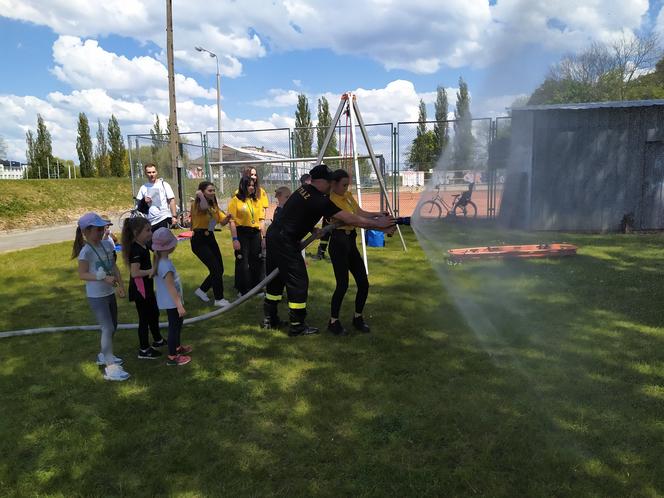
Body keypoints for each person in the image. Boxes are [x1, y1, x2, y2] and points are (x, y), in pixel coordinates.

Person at [263, 164, 395, 336]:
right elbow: (349, 218)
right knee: (298, 282)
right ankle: (297, 325)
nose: (332, 185)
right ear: (320, 181)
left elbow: (297, 214)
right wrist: (379, 225)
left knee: (277, 278)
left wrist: (312, 230)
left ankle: (270, 320)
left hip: (274, 235)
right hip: (285, 241)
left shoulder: (303, 190)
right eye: (329, 181)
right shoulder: (319, 199)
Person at [326, 169, 387, 335]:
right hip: (338, 243)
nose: (346, 188)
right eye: (343, 185)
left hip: (350, 241)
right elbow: (351, 219)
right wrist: (376, 224)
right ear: (334, 184)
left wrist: (376, 215)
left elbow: (359, 213)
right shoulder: (331, 200)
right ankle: (333, 322)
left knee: (363, 282)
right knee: (342, 284)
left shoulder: (347, 196)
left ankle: (358, 318)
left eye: (347, 185)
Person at [72, 212, 129, 381]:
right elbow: (82, 274)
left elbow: (113, 267)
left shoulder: (107, 245)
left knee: (114, 325)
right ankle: (110, 367)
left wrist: (121, 286)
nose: (101, 232)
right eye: (97, 229)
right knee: (107, 327)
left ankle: (104, 354)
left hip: (109, 292)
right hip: (96, 296)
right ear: (86, 232)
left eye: (102, 228)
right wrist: (101, 277)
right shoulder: (86, 252)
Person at [121, 217, 167, 360]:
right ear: (136, 232)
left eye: (150, 229)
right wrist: (152, 270)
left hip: (147, 288)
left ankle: (157, 339)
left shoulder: (143, 245)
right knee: (144, 319)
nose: (150, 233)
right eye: (147, 230)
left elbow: (155, 252)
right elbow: (135, 273)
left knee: (154, 313)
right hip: (140, 290)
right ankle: (144, 349)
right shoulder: (135, 249)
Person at [152, 228, 192, 366]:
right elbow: (170, 287)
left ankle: (177, 347)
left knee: (178, 324)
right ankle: (172, 356)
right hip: (172, 302)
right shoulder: (165, 265)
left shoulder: (160, 262)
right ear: (168, 247)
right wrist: (179, 305)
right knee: (174, 327)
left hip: (171, 301)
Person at [190, 181, 232, 307]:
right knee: (215, 268)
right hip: (199, 239)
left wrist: (228, 218)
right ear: (202, 192)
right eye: (209, 190)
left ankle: (201, 290)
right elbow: (203, 207)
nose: (213, 193)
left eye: (214, 190)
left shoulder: (213, 206)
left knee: (220, 269)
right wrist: (200, 195)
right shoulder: (197, 204)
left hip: (210, 238)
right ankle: (219, 299)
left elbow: (222, 222)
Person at [228, 176, 265, 296]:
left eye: (253, 185)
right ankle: (242, 288)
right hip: (241, 233)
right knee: (242, 261)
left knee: (256, 260)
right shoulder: (235, 201)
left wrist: (263, 238)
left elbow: (261, 220)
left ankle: (257, 288)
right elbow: (232, 221)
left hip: (255, 233)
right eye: (249, 185)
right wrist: (235, 239)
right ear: (243, 186)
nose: (251, 188)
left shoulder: (257, 201)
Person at [136, 163, 178, 230]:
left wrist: (174, 216)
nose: (152, 174)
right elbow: (138, 205)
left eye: (153, 172)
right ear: (145, 173)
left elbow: (171, 200)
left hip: (163, 217)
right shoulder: (143, 187)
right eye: (149, 172)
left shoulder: (164, 184)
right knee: (153, 240)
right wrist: (144, 201)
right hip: (150, 221)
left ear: (156, 172)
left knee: (163, 239)